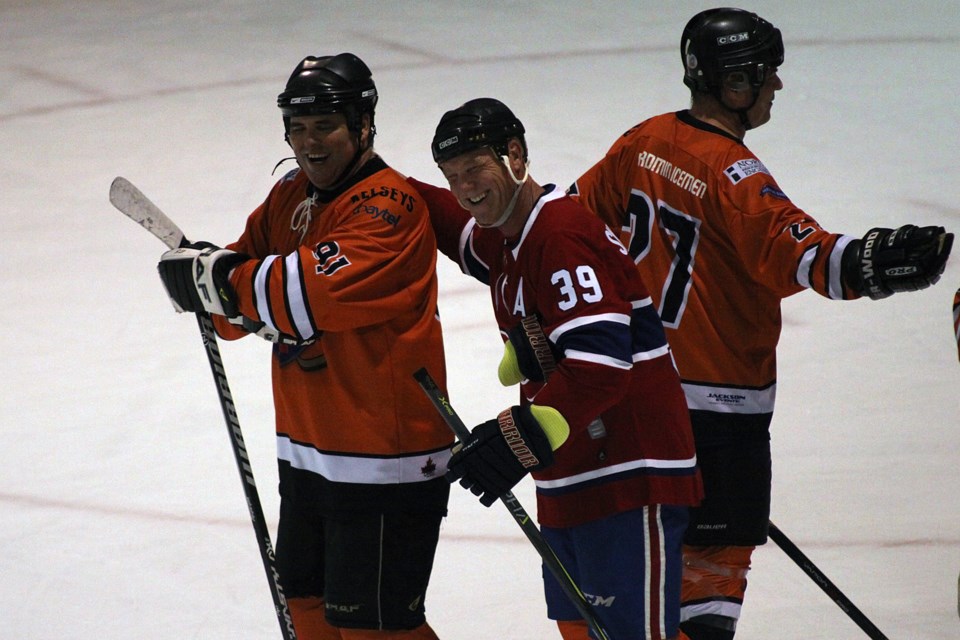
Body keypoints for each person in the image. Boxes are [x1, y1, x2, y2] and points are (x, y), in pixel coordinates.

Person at [567, 8, 954, 640]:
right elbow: (810, 259)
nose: (776, 85)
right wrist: (877, 261)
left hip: (644, 402)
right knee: (707, 593)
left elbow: (573, 227)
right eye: (763, 73)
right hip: (722, 417)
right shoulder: (737, 177)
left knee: (646, 582)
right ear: (731, 83)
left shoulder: (642, 141)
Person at [156, 53, 453, 640]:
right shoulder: (291, 196)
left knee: (375, 629)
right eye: (297, 127)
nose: (308, 142)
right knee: (306, 610)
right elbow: (236, 308)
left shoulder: (390, 210)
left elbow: (297, 294)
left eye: (325, 125)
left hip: (384, 462)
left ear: (363, 125)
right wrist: (214, 282)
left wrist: (220, 282)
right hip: (310, 451)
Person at [410, 97, 703, 640]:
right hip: (574, 473)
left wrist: (514, 440)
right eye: (453, 175)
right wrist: (375, 176)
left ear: (515, 154)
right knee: (581, 628)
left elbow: (600, 364)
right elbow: (454, 224)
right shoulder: (507, 239)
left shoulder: (561, 234)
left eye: (475, 168)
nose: (465, 187)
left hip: (626, 473)